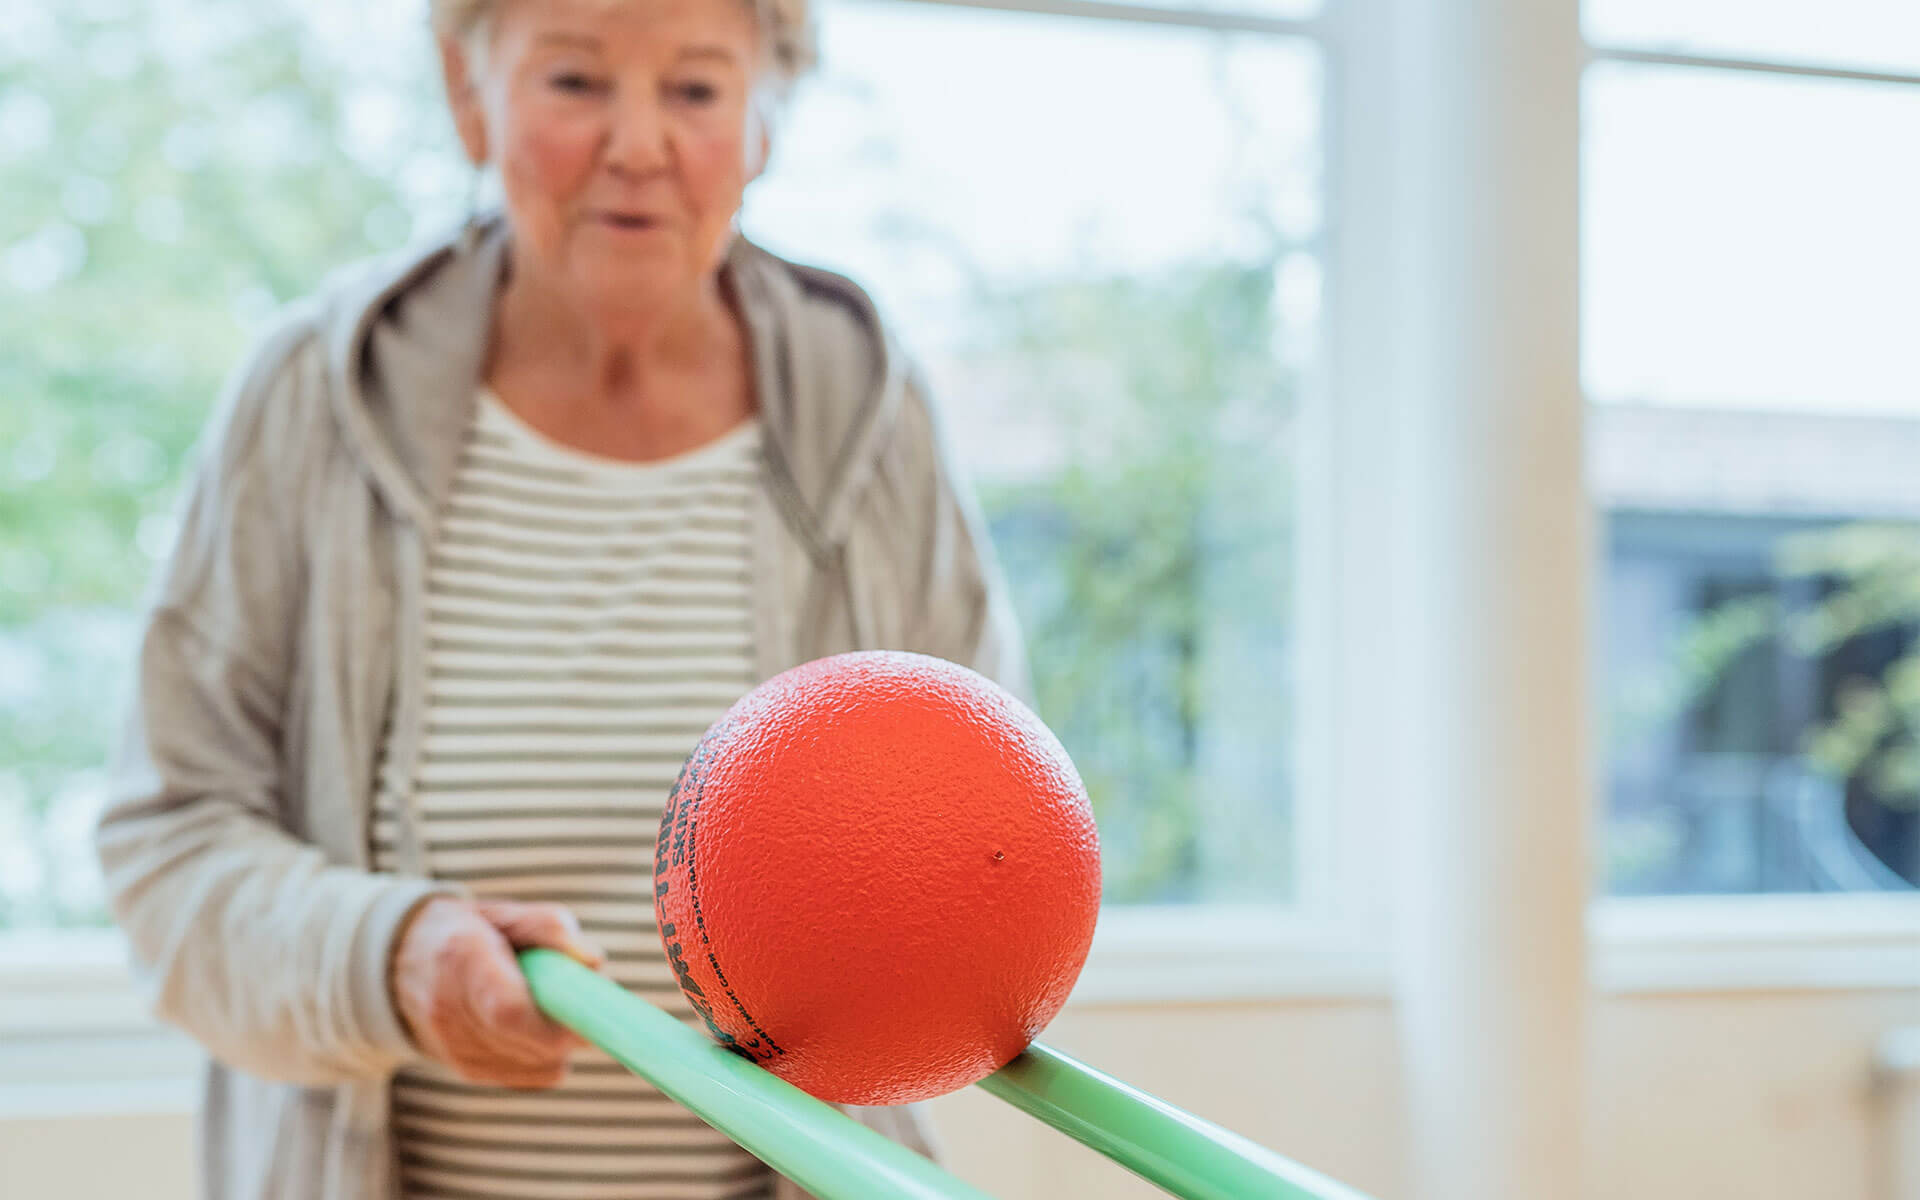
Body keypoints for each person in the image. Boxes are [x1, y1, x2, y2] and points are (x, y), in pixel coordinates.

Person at [93, 0, 1027, 1196]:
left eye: (696, 90)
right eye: (576, 81)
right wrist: (386, 957)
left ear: (766, 119)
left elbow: (980, 845)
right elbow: (168, 845)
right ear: (466, 92)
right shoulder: (309, 396)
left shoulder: (874, 412)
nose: (638, 144)